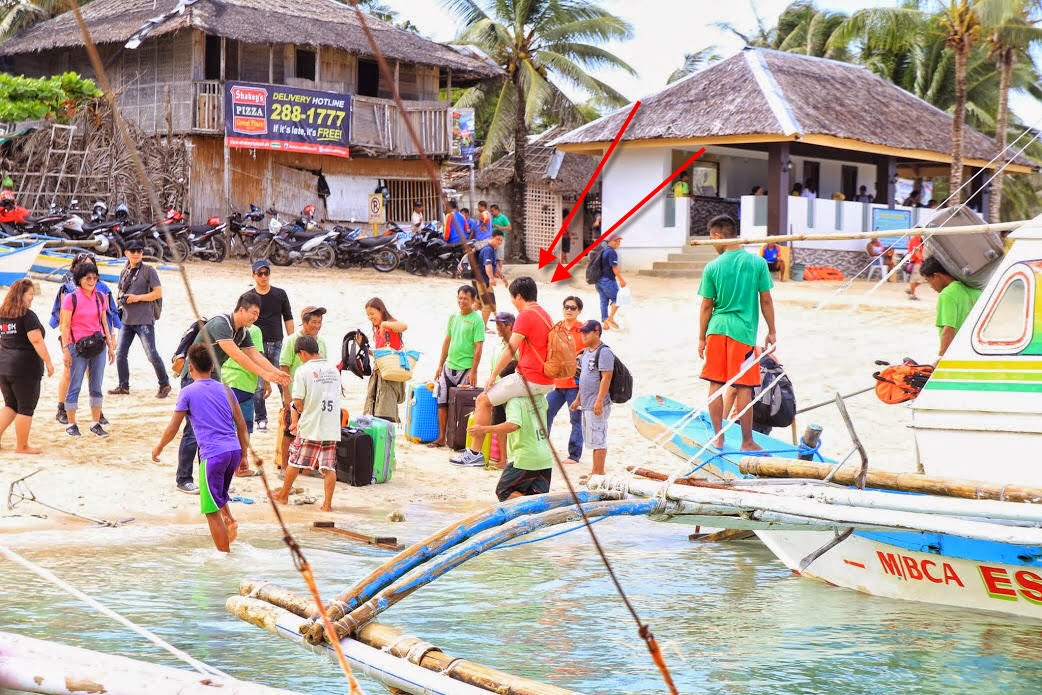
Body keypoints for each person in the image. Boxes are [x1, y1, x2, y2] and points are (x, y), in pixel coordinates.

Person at [176, 292, 288, 494]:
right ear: (241, 309)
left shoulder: (242, 332)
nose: (255, 318)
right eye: (253, 313)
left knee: (211, 430)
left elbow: (255, 355)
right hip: (193, 377)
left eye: (258, 314)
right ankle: (183, 479)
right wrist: (264, 374)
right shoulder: (221, 324)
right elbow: (236, 355)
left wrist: (276, 372)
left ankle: (208, 480)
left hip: (212, 379)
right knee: (194, 430)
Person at [152, 344, 246, 553]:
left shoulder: (187, 392)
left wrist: (158, 447)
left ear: (190, 367)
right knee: (218, 492)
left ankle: (224, 559)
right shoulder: (226, 389)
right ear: (212, 367)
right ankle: (230, 520)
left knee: (210, 511)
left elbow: (173, 427)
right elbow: (241, 424)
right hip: (233, 451)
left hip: (213, 456)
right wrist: (245, 455)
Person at [452, 277, 555, 467]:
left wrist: (492, 377)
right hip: (547, 380)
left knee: (483, 399)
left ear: (519, 296)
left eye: (512, 298)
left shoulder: (525, 315)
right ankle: (503, 456)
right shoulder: (545, 315)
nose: (513, 302)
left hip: (529, 378)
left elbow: (510, 349)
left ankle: (474, 453)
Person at [698, 214, 777, 452]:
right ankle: (746, 441)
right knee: (744, 386)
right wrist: (772, 330)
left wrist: (701, 337)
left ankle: (718, 438)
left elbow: (706, 306)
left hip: (716, 330)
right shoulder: (757, 263)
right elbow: (766, 300)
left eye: (711, 239)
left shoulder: (713, 266)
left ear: (717, 236)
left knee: (715, 385)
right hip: (742, 333)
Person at [271, 335, 341, 511]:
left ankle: (283, 495)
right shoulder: (333, 370)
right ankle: (327, 505)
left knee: (295, 462)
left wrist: (298, 415)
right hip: (331, 425)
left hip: (311, 425)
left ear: (302, 353)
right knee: (328, 467)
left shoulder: (303, 371)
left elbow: (298, 402)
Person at [49, 252, 120, 426]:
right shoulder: (67, 288)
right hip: (74, 339)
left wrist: (111, 338)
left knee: (93, 376)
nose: (91, 277)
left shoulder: (102, 289)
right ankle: (62, 409)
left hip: (96, 338)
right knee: (70, 374)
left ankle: (97, 412)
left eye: (91, 265)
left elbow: (107, 316)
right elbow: (64, 320)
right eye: (83, 265)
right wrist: (66, 344)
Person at [109, 239, 170, 398]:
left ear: (142, 253)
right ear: (126, 253)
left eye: (139, 251)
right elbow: (120, 291)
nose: (136, 254)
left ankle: (164, 384)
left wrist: (137, 298)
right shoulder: (125, 271)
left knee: (151, 354)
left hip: (144, 319)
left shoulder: (149, 271)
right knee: (121, 354)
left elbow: (158, 293)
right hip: (126, 320)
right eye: (133, 251)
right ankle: (123, 386)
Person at [0, 278, 54, 453]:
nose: (32, 297)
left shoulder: (2, 314)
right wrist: (48, 362)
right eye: (30, 294)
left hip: (4, 366)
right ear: (21, 295)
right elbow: (36, 340)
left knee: (10, 405)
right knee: (25, 407)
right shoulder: (27, 315)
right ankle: (22, 446)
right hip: (24, 368)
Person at [469, 390, 552, 501]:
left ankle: (534, 503)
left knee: (503, 492)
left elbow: (513, 425)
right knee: (536, 495)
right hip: (545, 457)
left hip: (524, 458)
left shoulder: (514, 401)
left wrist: (483, 429)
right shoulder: (540, 397)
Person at [430, 286, 484, 447]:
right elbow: (447, 340)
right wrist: (440, 364)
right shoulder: (453, 317)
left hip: (466, 369)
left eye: (465, 298)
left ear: (473, 300)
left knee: (462, 405)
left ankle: (460, 440)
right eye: (460, 298)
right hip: (448, 367)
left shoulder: (477, 320)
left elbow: (478, 347)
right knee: (442, 402)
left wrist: (474, 371)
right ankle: (441, 437)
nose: (462, 301)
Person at [277, 306, 328, 469]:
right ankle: (285, 467)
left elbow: (324, 369)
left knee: (311, 431)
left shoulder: (321, 342)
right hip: (295, 394)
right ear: (304, 323)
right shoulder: (292, 341)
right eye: (313, 322)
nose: (317, 326)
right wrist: (286, 395)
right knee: (289, 431)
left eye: (319, 322)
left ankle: (305, 468)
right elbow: (283, 368)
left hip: (314, 397)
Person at [250, 259, 293, 431]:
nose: (263, 276)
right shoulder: (249, 297)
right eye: (259, 273)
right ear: (253, 275)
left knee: (283, 380)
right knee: (258, 384)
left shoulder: (280, 294)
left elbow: (288, 317)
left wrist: (292, 341)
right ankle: (261, 418)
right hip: (256, 346)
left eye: (266, 273)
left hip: (278, 343)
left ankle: (289, 413)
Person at [570, 320, 613, 477]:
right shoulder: (586, 353)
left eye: (587, 332)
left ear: (596, 332)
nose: (583, 335)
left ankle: (598, 472)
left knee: (598, 437)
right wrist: (578, 399)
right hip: (587, 403)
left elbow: (606, 378)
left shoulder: (604, 352)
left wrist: (599, 401)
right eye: (582, 332)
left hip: (597, 403)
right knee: (593, 438)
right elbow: (584, 379)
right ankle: (595, 470)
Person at [220, 321, 264, 476]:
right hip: (243, 383)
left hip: (226, 379)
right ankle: (240, 466)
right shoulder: (254, 330)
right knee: (243, 426)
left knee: (228, 426)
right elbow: (257, 357)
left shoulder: (227, 328)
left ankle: (231, 466)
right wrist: (266, 380)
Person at [545, 296, 584, 465]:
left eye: (573, 308)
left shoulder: (583, 330)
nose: (569, 310)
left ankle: (574, 455)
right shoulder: (556, 328)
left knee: (576, 419)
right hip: (557, 383)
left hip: (575, 384)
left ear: (579, 311)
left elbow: (588, 355)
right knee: (546, 411)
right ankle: (542, 447)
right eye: (566, 307)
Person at [920, 257, 982, 358]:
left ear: (936, 276)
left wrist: (941, 357)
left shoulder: (947, 294)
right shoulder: (975, 290)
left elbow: (948, 329)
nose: (930, 286)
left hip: (956, 353)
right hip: (973, 352)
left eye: (928, 281)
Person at [364, 297, 408, 423]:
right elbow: (382, 353)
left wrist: (384, 324)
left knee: (385, 413)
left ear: (381, 310)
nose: (370, 317)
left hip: (390, 377)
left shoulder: (389, 324)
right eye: (368, 315)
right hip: (380, 375)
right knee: (375, 411)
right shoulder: (378, 329)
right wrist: (365, 348)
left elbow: (404, 326)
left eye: (372, 314)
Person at [484, 311, 516, 468]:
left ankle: (513, 458)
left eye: (499, 324)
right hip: (497, 388)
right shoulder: (499, 345)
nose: (497, 327)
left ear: (509, 326)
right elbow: (494, 367)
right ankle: (503, 459)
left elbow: (517, 365)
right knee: (499, 422)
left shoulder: (516, 345)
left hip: (511, 390)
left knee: (513, 424)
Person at [473, 230, 506, 325]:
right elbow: (488, 265)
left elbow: (494, 266)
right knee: (488, 305)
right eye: (497, 239)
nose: (499, 242)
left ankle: (462, 317)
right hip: (483, 281)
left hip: (479, 280)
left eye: (501, 240)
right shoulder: (488, 250)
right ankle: (482, 326)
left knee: (478, 303)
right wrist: (491, 278)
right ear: (491, 238)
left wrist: (502, 277)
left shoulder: (491, 249)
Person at [596, 234, 626, 330]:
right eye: (616, 241)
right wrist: (621, 280)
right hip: (608, 280)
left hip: (598, 281)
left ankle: (605, 324)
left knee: (603, 301)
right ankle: (610, 318)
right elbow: (614, 267)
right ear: (609, 242)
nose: (618, 243)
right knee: (619, 298)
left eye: (619, 241)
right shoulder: (612, 252)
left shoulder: (603, 251)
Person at [906, 234, 925, 300]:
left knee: (921, 279)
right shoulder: (915, 240)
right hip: (916, 262)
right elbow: (917, 251)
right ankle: (912, 294)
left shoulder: (919, 240)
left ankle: (911, 289)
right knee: (915, 279)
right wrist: (922, 260)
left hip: (918, 262)